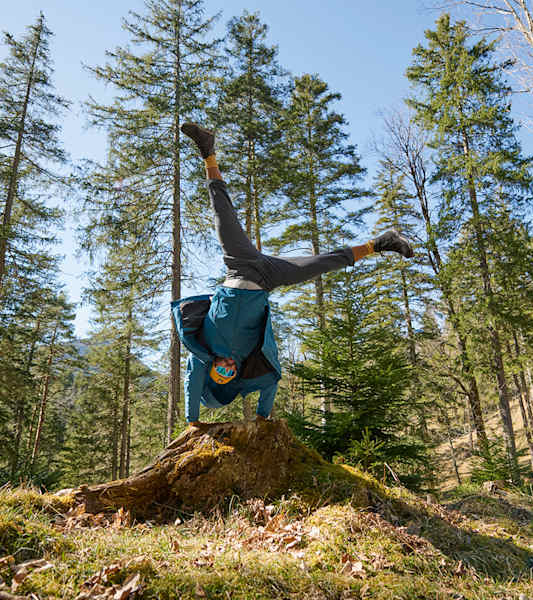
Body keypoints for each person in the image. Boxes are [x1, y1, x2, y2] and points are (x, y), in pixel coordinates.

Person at [173, 122, 413, 427]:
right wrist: (262, 420)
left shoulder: (202, 351)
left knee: (222, 212)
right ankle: (381, 244)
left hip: (239, 265)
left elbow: (192, 381)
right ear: (233, 377)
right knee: (322, 263)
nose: (227, 366)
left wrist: (192, 422)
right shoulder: (250, 361)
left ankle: (208, 152)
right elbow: (271, 382)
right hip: (267, 280)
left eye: (220, 370)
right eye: (229, 372)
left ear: (211, 372)